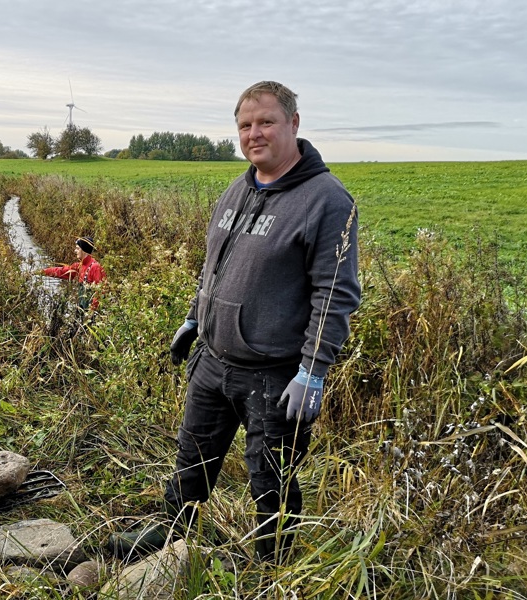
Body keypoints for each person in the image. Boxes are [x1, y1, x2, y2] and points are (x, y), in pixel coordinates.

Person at [109, 81, 361, 563]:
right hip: (213, 359)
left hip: (274, 373)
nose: (254, 133)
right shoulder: (237, 188)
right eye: (245, 125)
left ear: (294, 123)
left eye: (266, 121)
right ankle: (171, 540)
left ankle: (274, 566)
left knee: (271, 480)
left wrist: (313, 369)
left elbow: (336, 293)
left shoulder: (327, 200)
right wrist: (193, 316)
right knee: (191, 464)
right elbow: (215, 265)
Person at [41, 236, 105, 310]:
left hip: (92, 314)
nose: (75, 251)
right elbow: (61, 271)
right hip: (82, 310)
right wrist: (43, 272)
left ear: (84, 250)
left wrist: (92, 312)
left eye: (77, 248)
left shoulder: (95, 267)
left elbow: (100, 293)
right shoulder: (79, 266)